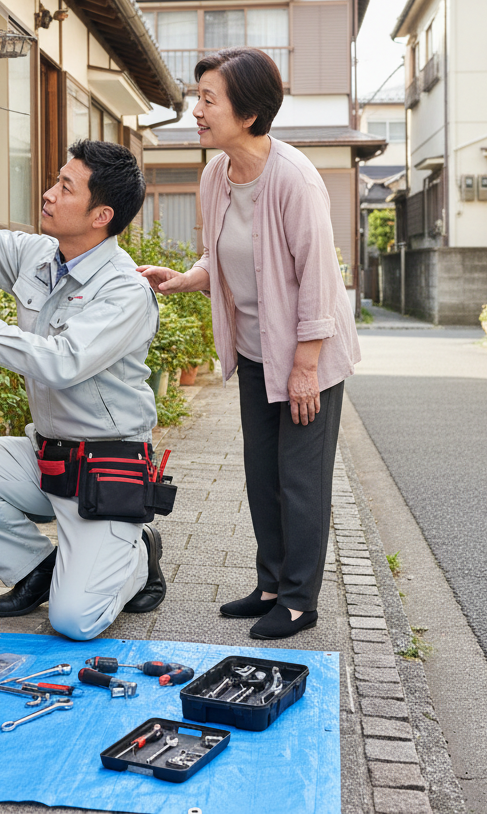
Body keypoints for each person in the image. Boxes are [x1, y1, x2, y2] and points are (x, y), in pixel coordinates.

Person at [0, 112, 166, 642]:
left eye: (65, 188)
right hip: (47, 456)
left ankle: (138, 554)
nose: (49, 194)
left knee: (75, 622)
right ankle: (36, 569)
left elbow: (61, 360)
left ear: (101, 215)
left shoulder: (124, 291)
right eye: (55, 180)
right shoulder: (39, 255)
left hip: (106, 472)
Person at [138, 46, 360, 640]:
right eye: (198, 98)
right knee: (262, 473)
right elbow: (226, 254)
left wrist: (306, 367)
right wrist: (189, 277)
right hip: (258, 352)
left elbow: (318, 278)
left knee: (300, 479)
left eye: (209, 99)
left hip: (308, 356)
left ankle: (298, 599)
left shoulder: (293, 179)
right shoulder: (217, 175)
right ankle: (269, 584)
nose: (196, 111)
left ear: (250, 112)